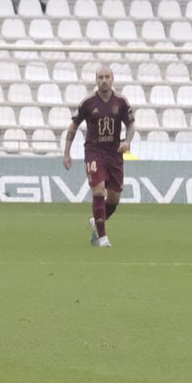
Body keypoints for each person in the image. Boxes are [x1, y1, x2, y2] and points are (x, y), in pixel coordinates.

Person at [64, 65, 135, 248]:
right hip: (94, 152)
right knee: (98, 191)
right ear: (96, 80)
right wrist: (67, 153)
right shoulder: (88, 103)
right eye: (100, 77)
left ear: (112, 79)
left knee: (114, 200)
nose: (104, 80)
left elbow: (131, 125)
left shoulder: (121, 102)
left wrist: (127, 141)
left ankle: (96, 222)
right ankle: (103, 238)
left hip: (114, 154)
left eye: (107, 77)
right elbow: (73, 127)